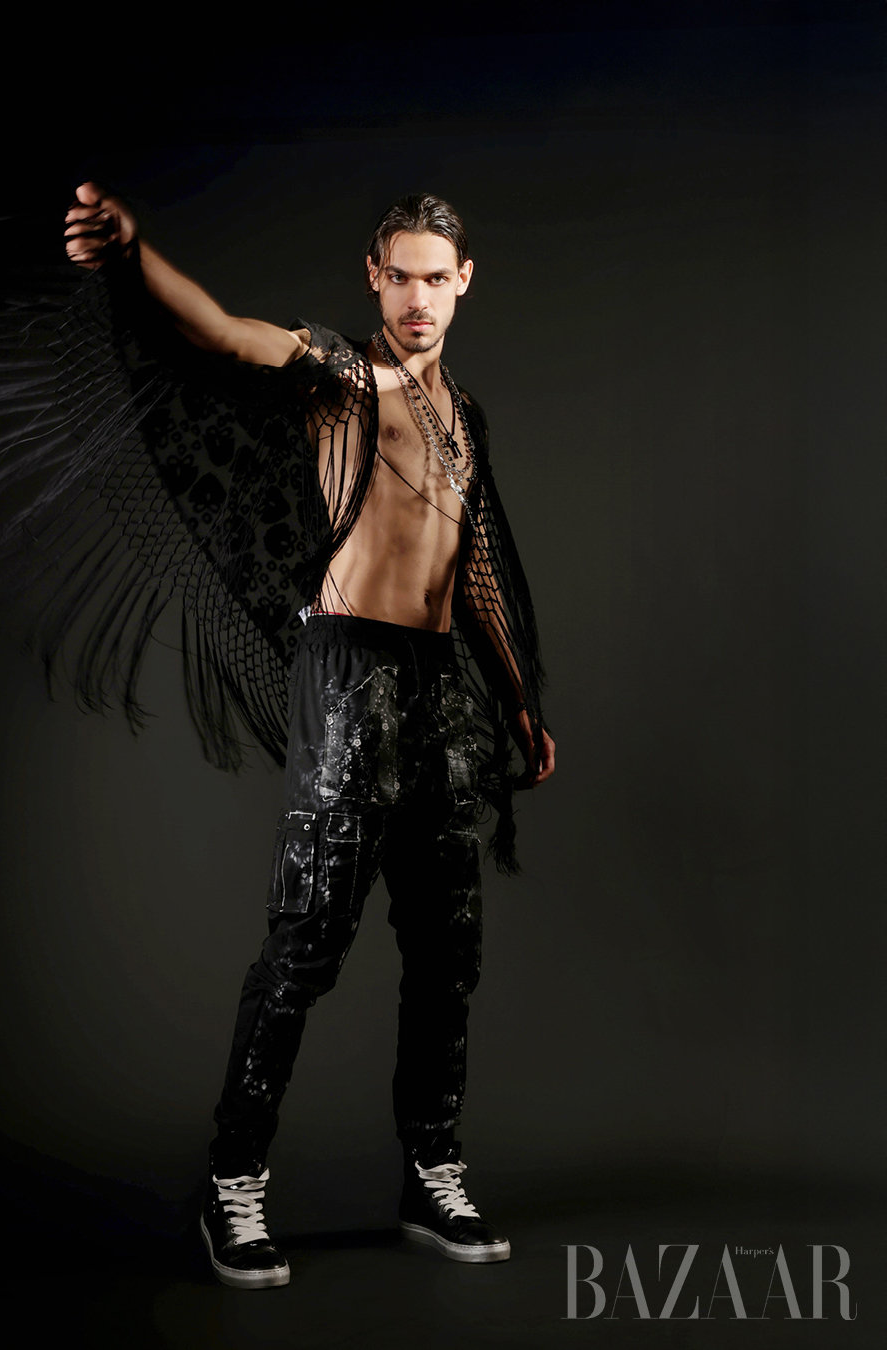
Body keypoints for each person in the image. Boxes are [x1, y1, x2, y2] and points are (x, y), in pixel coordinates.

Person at [65, 181, 555, 1289]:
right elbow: (223, 335)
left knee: (449, 949)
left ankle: (432, 1168)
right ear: (374, 279)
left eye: (438, 279)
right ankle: (233, 1180)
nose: (419, 298)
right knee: (308, 940)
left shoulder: (465, 417)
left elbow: (475, 565)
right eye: (402, 277)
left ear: (465, 284)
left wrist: (520, 697)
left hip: (443, 686)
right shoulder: (340, 379)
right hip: (349, 670)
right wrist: (135, 256)